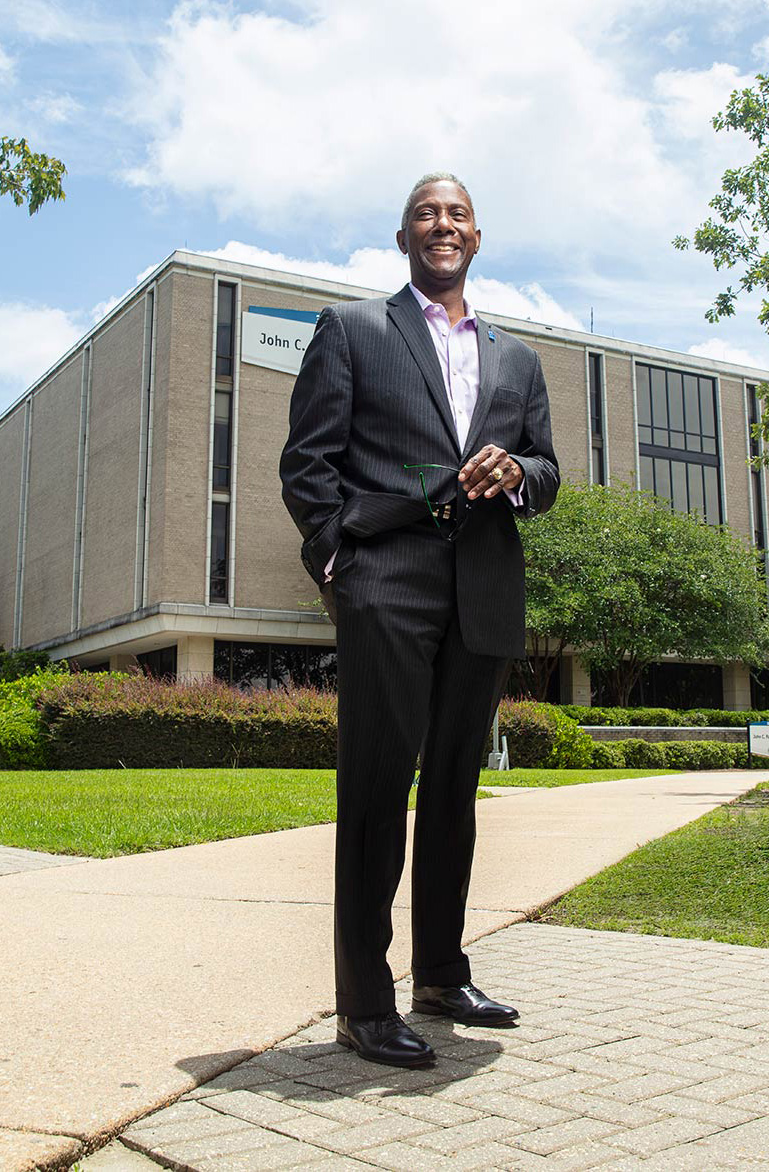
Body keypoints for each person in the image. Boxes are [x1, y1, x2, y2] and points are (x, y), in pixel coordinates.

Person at [280, 173, 560, 1068]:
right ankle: (365, 1001)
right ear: (403, 236)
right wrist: (338, 563)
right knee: (374, 790)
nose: (443, 226)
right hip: (385, 581)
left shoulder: (517, 358)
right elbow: (307, 464)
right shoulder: (353, 329)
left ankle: (442, 970)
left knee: (451, 790)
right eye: (425, 215)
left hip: (481, 588)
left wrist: (516, 470)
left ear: (478, 236)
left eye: (457, 215)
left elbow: (548, 471)